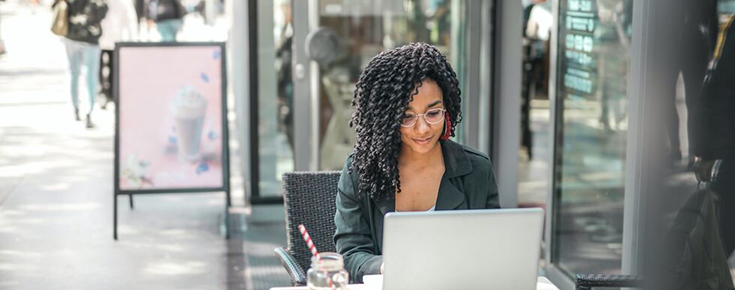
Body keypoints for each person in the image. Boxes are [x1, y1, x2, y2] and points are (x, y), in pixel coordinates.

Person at [333, 43, 501, 283]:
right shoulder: (360, 171)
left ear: (447, 110)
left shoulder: (476, 171)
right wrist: (385, 266)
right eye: (406, 116)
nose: (422, 129)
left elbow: (493, 251)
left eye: (433, 114)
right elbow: (350, 255)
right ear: (386, 119)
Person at [55, 0, 108, 128]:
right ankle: (88, 110)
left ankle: (76, 108)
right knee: (90, 75)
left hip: (72, 35)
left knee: (74, 73)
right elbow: (103, 10)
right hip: (90, 37)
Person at [98, 0, 138, 109]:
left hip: (109, 38)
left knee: (108, 66)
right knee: (106, 66)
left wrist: (132, 39)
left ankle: (107, 92)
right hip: (106, 37)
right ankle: (106, 92)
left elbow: (130, 19)